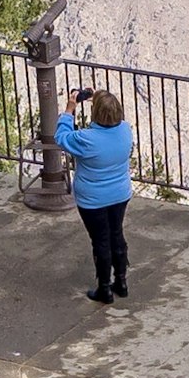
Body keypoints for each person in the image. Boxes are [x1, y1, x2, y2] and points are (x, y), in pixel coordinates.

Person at [55, 83, 135, 304]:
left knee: (100, 240)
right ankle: (122, 282)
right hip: (120, 193)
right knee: (116, 234)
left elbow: (61, 137)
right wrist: (97, 97)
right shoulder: (125, 130)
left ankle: (105, 289)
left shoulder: (86, 139)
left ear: (96, 113)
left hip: (93, 199)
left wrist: (70, 108)